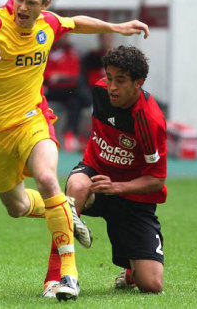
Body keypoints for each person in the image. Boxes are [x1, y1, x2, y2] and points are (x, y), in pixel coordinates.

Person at [0, 0, 149, 301]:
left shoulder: (48, 25)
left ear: (45, 6)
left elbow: (76, 23)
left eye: (31, 3)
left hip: (31, 119)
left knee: (48, 178)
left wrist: (119, 27)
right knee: (17, 206)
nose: (22, 7)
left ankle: (69, 275)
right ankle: (65, 209)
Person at [43, 45, 166, 295]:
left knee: (151, 285)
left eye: (120, 81)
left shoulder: (149, 120)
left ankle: (132, 268)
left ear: (138, 82)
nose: (111, 87)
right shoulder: (99, 91)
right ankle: (57, 277)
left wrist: (118, 187)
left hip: (133, 198)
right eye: (109, 78)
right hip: (95, 176)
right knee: (76, 189)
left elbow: (157, 179)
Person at [43, 34, 91, 151]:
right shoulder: (47, 50)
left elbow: (74, 73)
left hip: (67, 89)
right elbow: (45, 73)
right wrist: (55, 76)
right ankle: (90, 103)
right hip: (50, 89)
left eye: (66, 36)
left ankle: (70, 135)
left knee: (75, 101)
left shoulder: (72, 52)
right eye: (62, 35)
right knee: (79, 94)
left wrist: (61, 76)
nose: (64, 38)